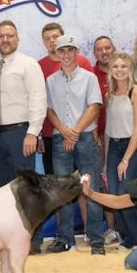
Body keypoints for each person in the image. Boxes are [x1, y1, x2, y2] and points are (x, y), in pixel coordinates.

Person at [0, 20, 46, 253]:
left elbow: (38, 100)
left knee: (26, 190)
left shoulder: (28, 65)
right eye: (1, 36)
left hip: (21, 133)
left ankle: (34, 240)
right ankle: (8, 241)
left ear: (17, 39)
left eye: (10, 35)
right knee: (3, 193)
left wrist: (32, 133)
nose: (5, 40)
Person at [45, 34, 104, 254]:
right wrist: (64, 131)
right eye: (62, 51)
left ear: (77, 52)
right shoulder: (50, 81)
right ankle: (65, 238)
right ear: (57, 54)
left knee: (91, 187)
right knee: (63, 190)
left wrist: (75, 132)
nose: (67, 55)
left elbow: (94, 107)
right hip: (62, 139)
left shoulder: (89, 78)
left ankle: (96, 239)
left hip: (85, 138)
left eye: (71, 50)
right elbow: (49, 110)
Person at [37, 22, 93, 239]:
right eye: (48, 38)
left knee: (84, 184)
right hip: (54, 136)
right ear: (44, 42)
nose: (52, 41)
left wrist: (81, 132)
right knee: (60, 189)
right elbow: (41, 103)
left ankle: (90, 232)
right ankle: (64, 236)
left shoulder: (83, 63)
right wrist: (41, 134)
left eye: (55, 37)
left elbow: (92, 101)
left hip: (82, 134)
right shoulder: (39, 66)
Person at [104, 53, 137, 249]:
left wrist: (126, 159)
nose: (119, 70)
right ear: (110, 70)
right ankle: (128, 238)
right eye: (115, 67)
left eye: (123, 66)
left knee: (125, 194)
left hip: (135, 145)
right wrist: (107, 162)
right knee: (114, 195)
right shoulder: (109, 95)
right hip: (114, 146)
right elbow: (107, 130)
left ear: (130, 69)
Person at [92, 36, 120, 245]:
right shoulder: (90, 75)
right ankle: (111, 229)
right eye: (99, 49)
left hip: (125, 137)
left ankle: (128, 227)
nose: (104, 52)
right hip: (101, 137)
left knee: (125, 183)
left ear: (114, 49)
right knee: (106, 183)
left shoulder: (123, 71)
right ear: (95, 53)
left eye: (107, 48)